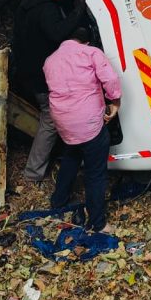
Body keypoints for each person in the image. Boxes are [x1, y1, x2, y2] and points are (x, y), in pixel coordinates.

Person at [43, 25, 121, 234]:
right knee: (95, 173)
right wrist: (115, 101)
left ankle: (58, 201)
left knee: (71, 156)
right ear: (86, 42)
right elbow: (111, 80)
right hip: (87, 121)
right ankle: (98, 223)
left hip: (63, 121)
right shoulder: (91, 52)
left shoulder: (50, 60)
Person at [12, 0, 87, 183]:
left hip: (27, 72)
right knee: (52, 119)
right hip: (42, 76)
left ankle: (69, 155)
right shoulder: (47, 9)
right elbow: (57, 33)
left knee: (54, 115)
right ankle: (33, 172)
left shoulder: (27, 4)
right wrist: (78, 10)